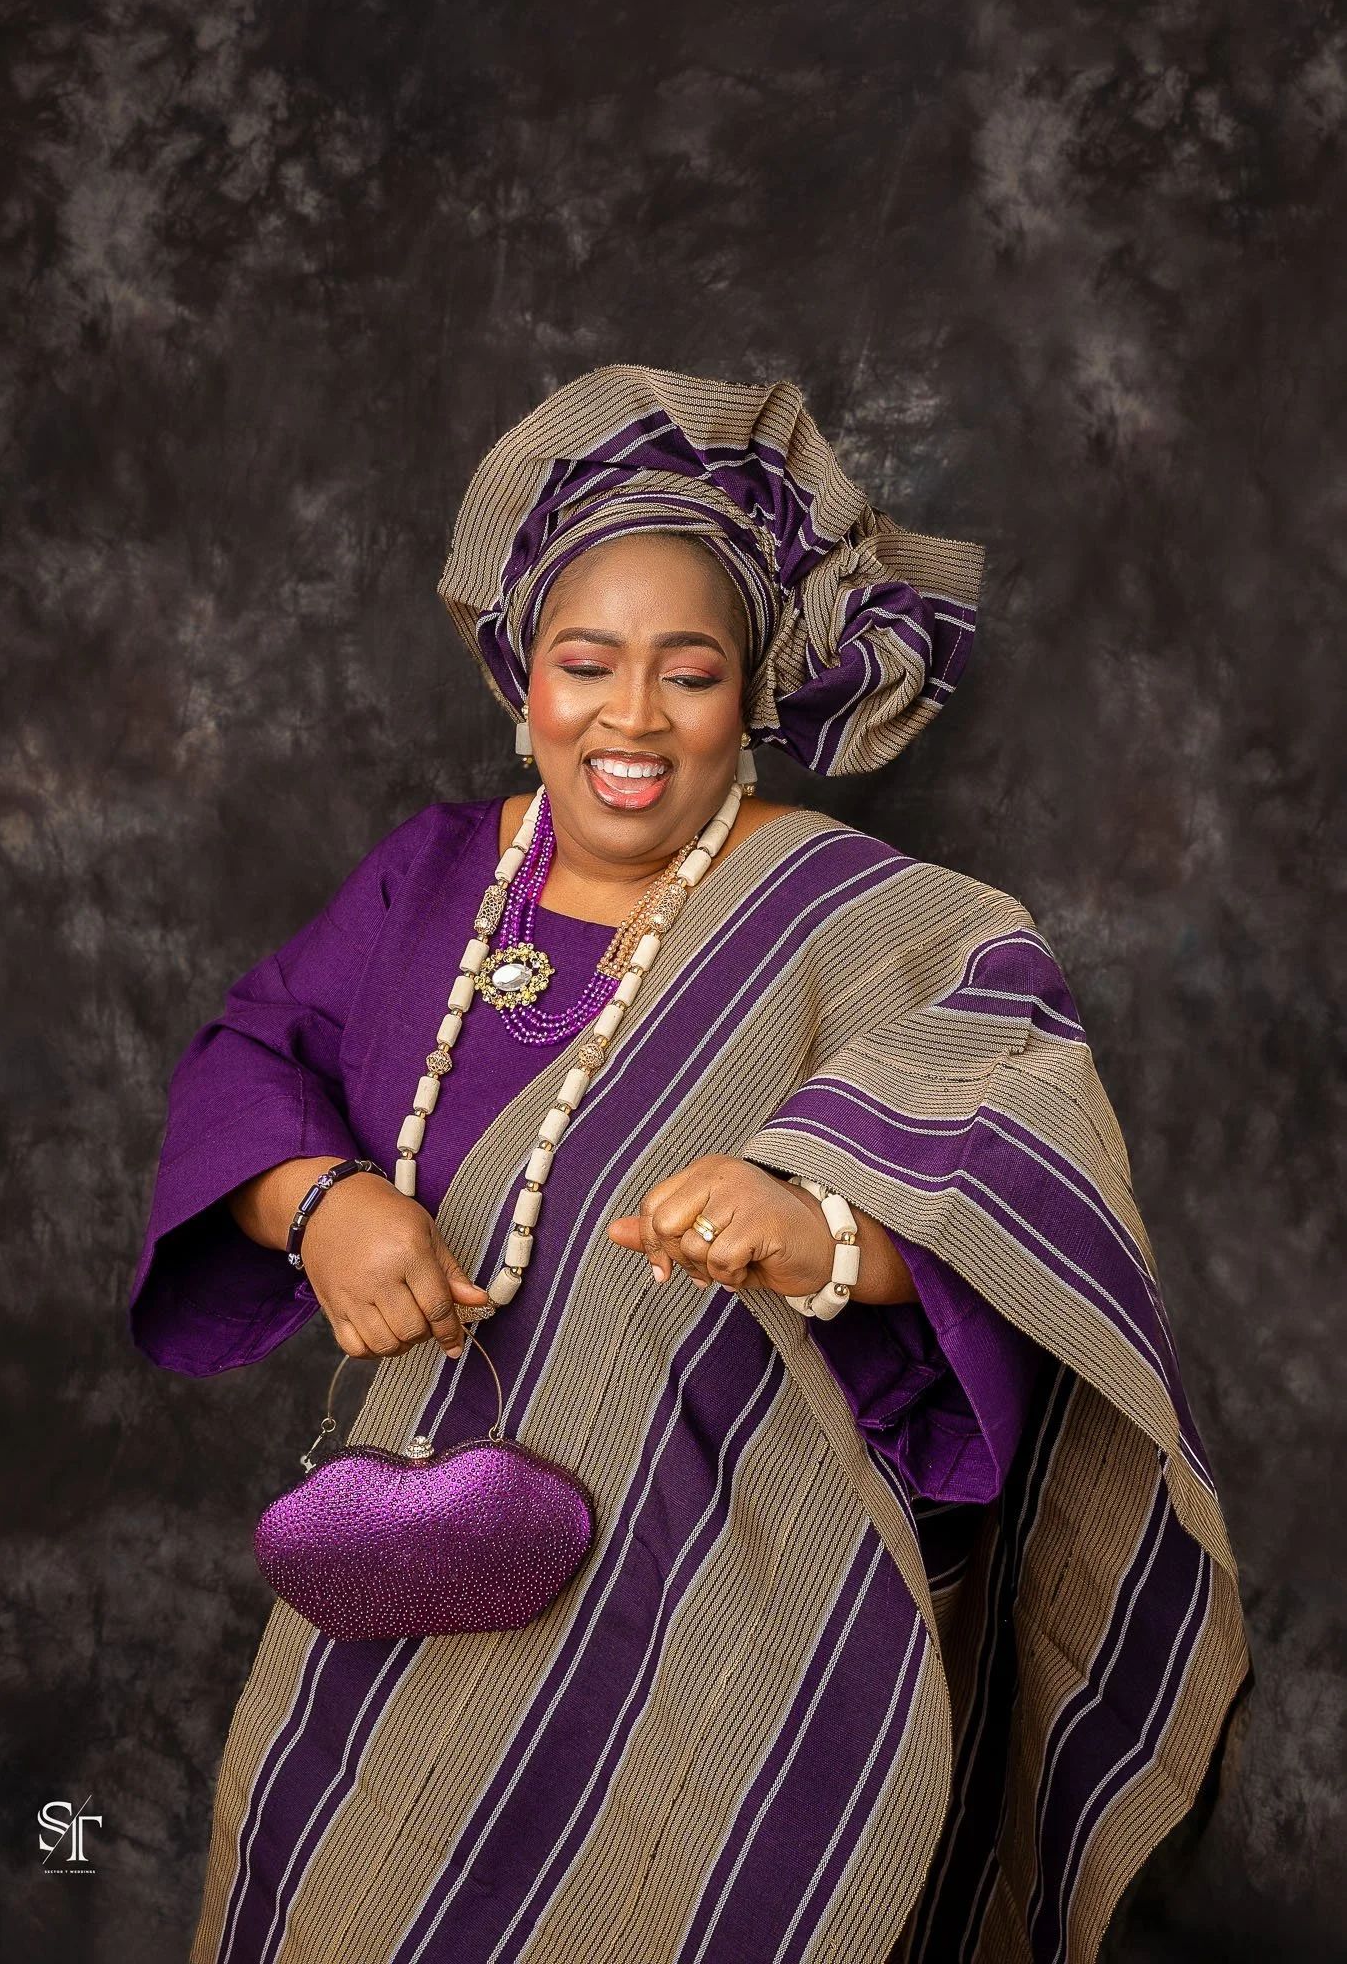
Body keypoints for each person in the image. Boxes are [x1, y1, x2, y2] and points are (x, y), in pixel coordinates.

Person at [131, 366, 1248, 1964]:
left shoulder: (873, 926)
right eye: (588, 664)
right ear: (525, 677)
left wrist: (817, 1233)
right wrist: (316, 1204)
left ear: (754, 698)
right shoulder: (430, 878)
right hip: (405, 1603)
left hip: (727, 1641)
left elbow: (1009, 1173)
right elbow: (251, 1058)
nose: (633, 719)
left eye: (690, 672)